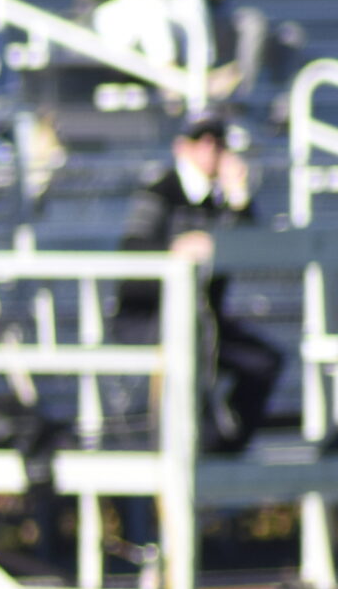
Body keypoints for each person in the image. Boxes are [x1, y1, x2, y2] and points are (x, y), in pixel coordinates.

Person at [116, 112, 281, 454]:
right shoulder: (161, 190)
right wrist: (175, 249)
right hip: (151, 318)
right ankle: (199, 453)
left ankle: (224, 450)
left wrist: (240, 198)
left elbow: (251, 251)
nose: (211, 149)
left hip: (205, 321)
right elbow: (132, 250)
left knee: (263, 362)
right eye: (201, 141)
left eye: (218, 142)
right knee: (190, 376)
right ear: (182, 147)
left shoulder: (222, 196)